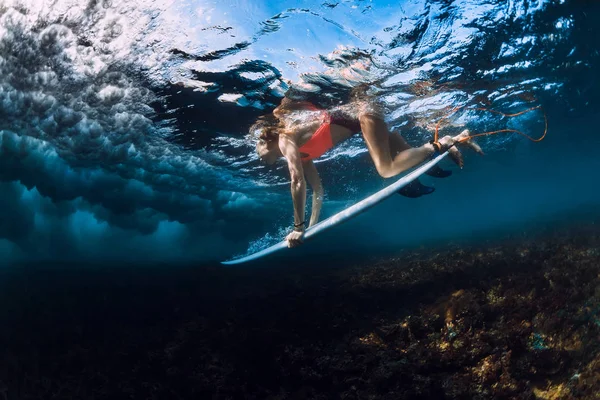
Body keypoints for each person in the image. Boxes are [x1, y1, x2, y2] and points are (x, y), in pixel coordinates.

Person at [253, 95, 482, 248]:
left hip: (363, 112)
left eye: (257, 148)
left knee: (387, 169)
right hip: (361, 119)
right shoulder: (302, 155)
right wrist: (310, 229)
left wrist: (297, 227)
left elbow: (296, 181)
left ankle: (446, 141)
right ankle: (460, 138)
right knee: (408, 157)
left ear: (266, 140)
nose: (257, 155)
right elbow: (318, 190)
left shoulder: (284, 139)